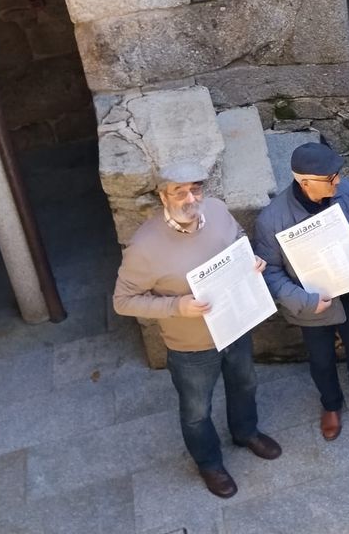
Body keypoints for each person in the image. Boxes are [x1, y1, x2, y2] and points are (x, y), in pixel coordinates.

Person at [113, 162, 281, 499]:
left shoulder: (216, 210)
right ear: (163, 196)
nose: (191, 198)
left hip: (235, 325)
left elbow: (238, 238)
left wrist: (251, 260)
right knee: (196, 411)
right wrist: (177, 307)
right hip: (191, 346)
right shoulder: (143, 247)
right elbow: (123, 301)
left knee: (245, 384)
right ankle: (209, 463)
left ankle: (245, 432)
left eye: (195, 189)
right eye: (179, 192)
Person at [253, 142, 349, 442]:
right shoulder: (271, 220)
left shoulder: (346, 190)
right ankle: (330, 404)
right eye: (331, 178)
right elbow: (270, 272)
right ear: (306, 182)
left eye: (338, 173)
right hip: (312, 303)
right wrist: (304, 301)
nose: (338, 181)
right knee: (321, 358)